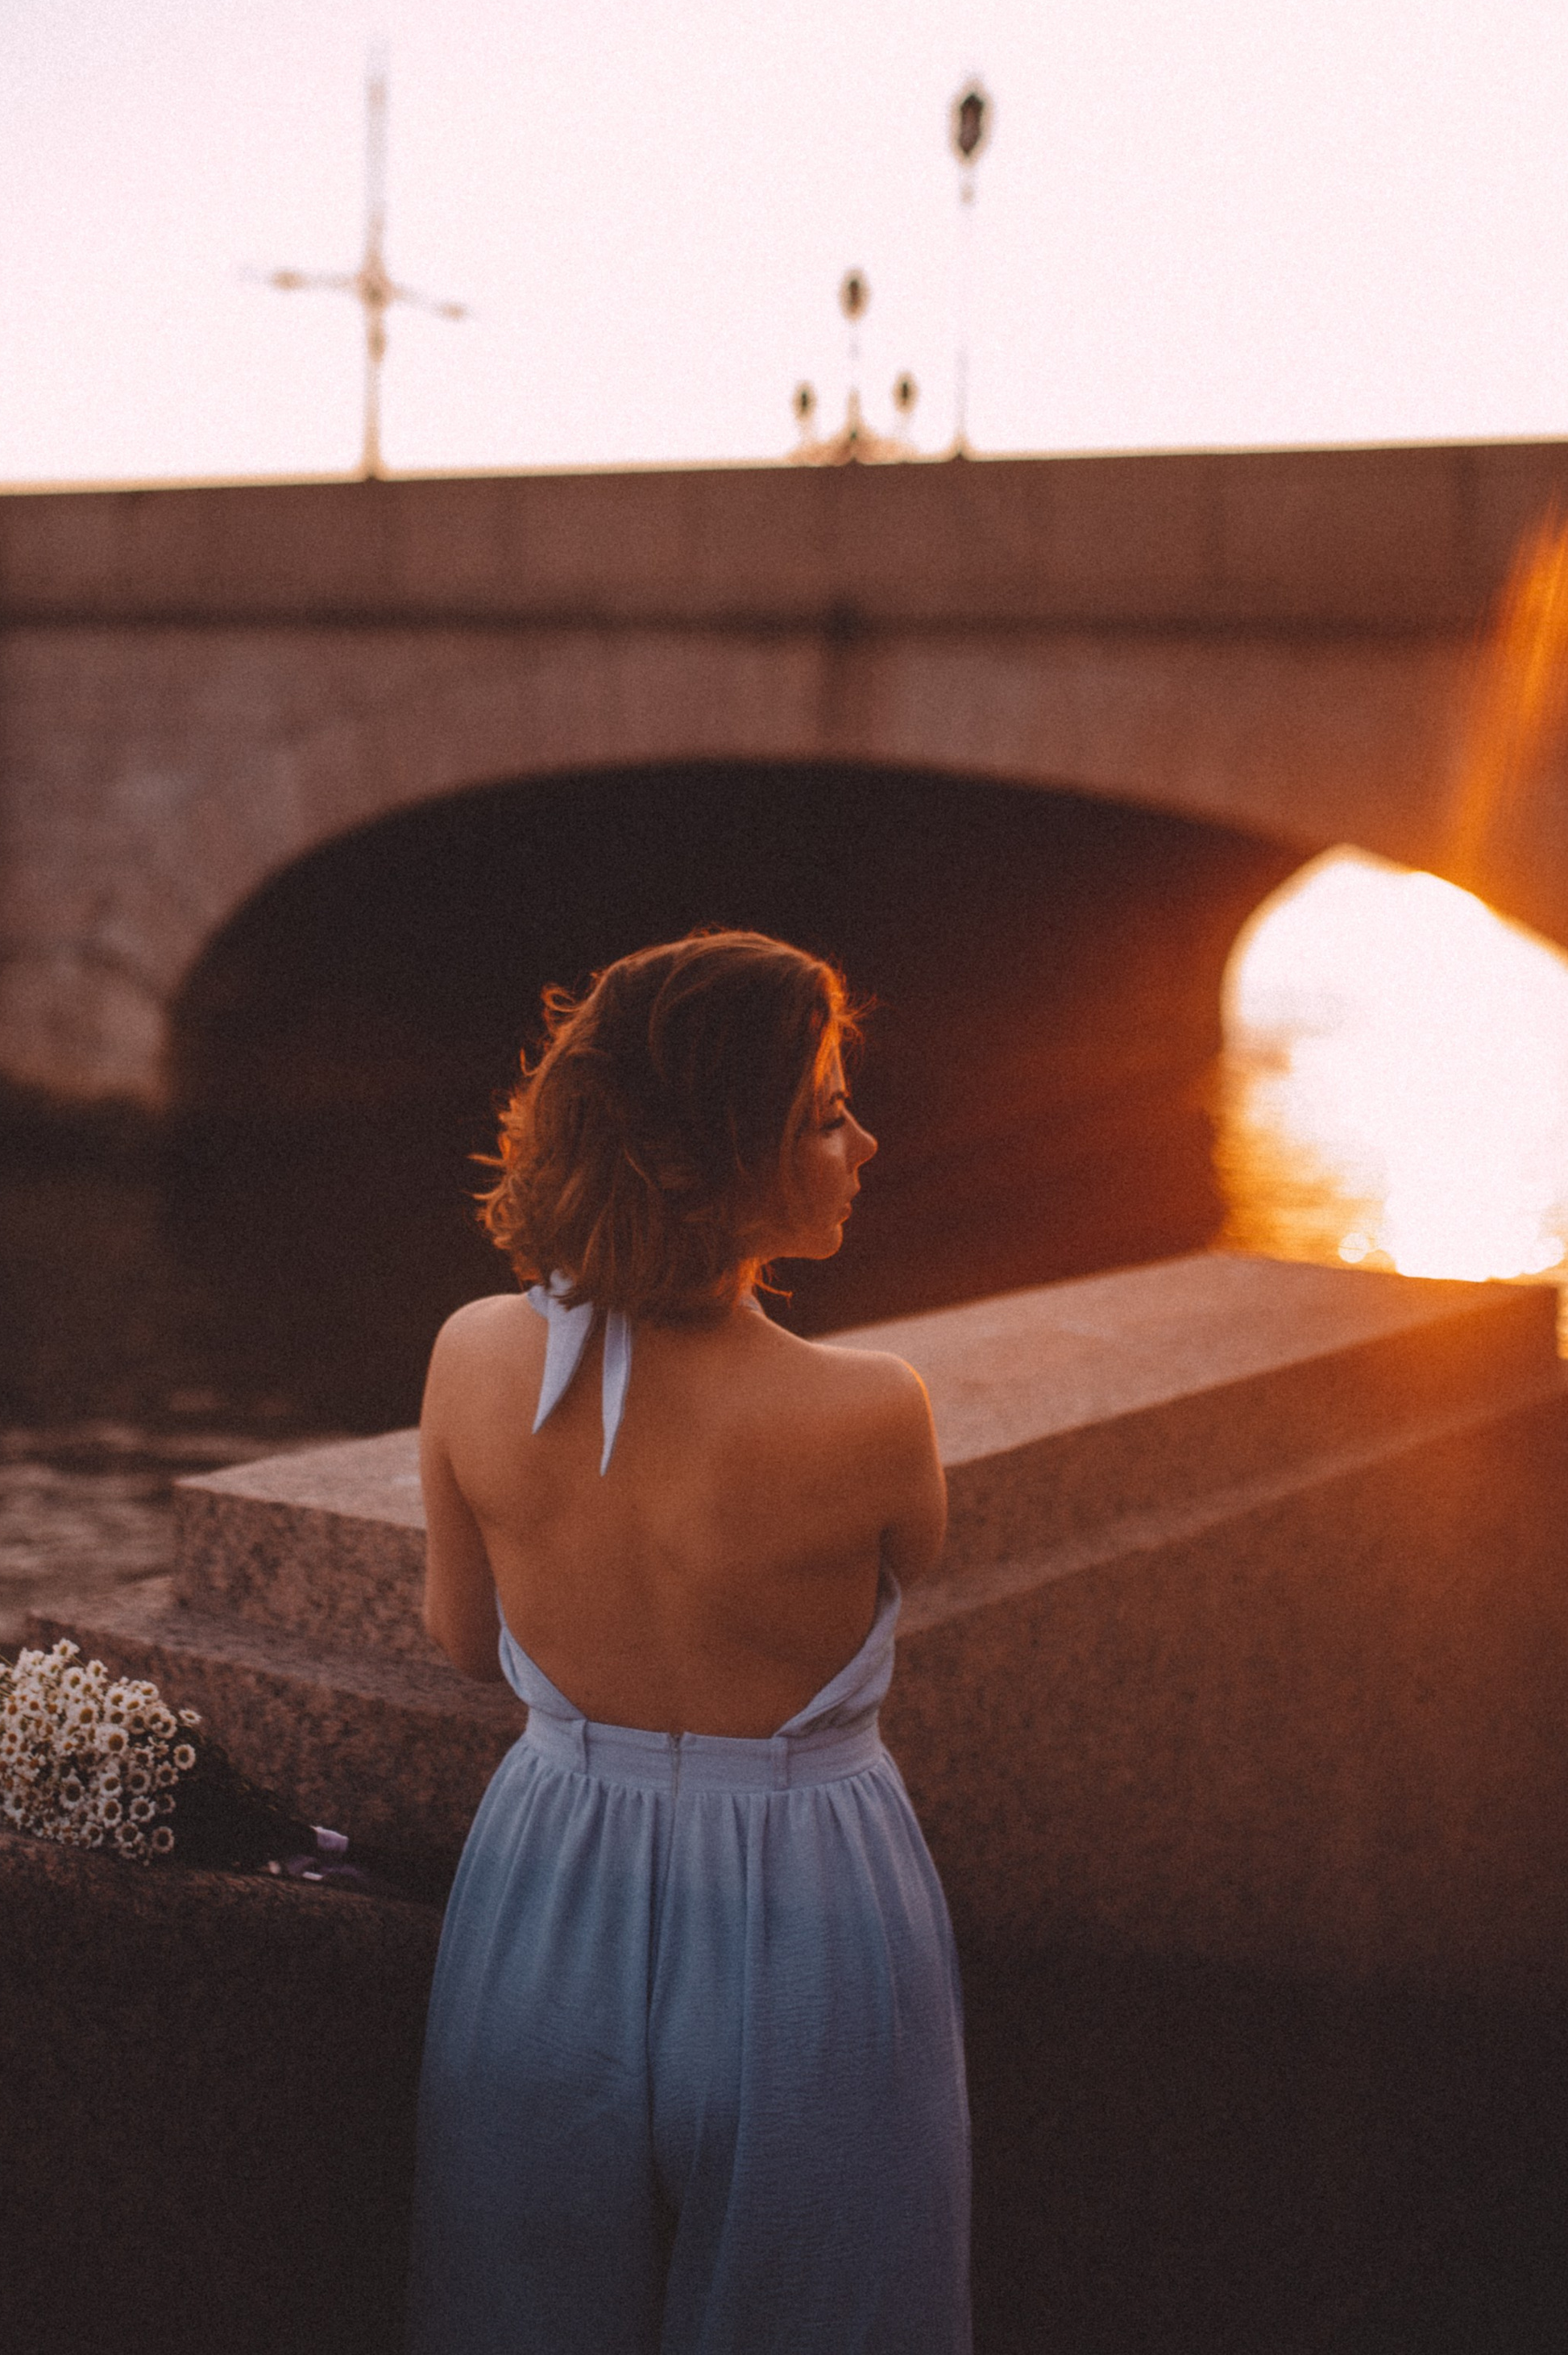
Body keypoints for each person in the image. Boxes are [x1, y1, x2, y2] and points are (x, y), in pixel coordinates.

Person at [407, 928, 971, 2355]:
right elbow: (917, 1565)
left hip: (549, 1881)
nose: (868, 1143)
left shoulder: (474, 1358)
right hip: (812, 1906)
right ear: (729, 1158)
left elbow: (464, 1645)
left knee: (520, 2314)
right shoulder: (877, 1410)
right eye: (825, 1116)